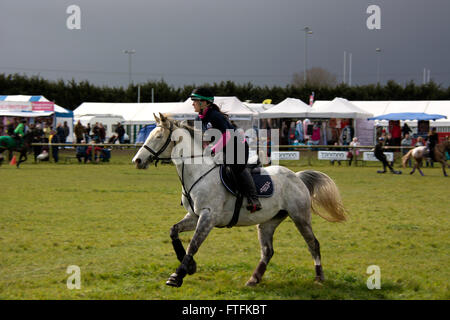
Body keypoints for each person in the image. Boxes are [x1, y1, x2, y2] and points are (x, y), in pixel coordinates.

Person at [191, 87, 262, 212]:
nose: (192, 103)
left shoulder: (215, 116)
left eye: (195, 100)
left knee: (235, 166)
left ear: (204, 102)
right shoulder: (198, 119)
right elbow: (201, 139)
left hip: (238, 146)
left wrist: (213, 149)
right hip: (222, 149)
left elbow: (227, 135)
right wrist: (205, 149)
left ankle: (254, 198)